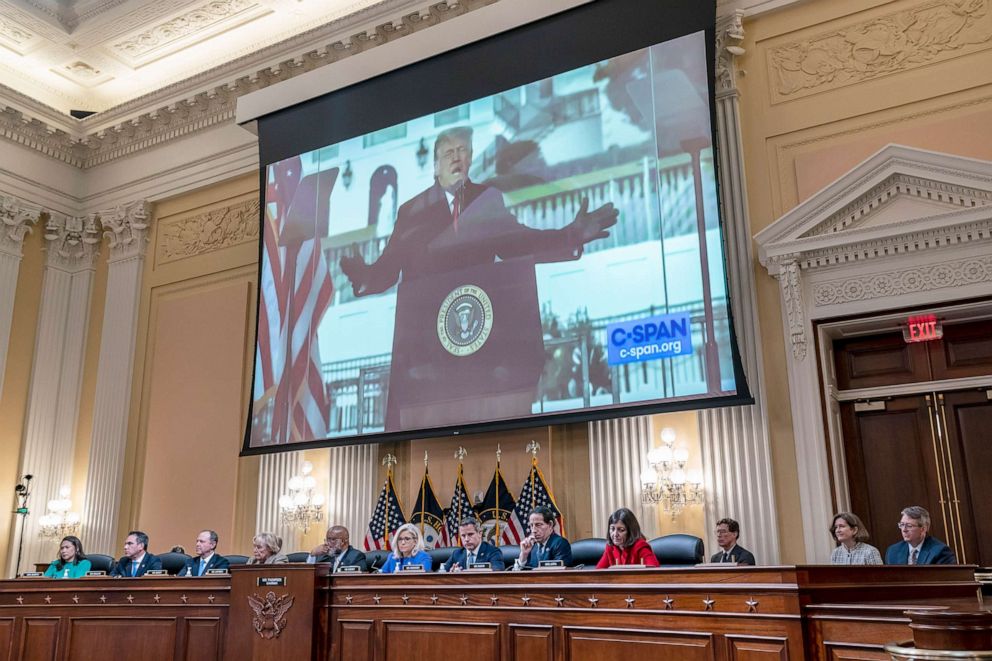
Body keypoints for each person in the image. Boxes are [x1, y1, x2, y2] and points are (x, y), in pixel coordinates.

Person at [340, 126, 619, 431]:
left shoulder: (487, 199)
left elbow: (518, 243)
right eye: (449, 152)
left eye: (462, 151)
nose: (456, 158)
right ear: (435, 164)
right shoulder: (412, 211)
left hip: (478, 354)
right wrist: (364, 276)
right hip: (425, 359)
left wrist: (570, 235)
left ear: (471, 158)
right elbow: (387, 270)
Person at [884, 506, 957, 565]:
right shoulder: (893, 551)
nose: (904, 529)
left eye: (909, 526)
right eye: (902, 525)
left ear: (923, 529)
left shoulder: (940, 552)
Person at [513, 505, 572, 570]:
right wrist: (523, 555)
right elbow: (517, 576)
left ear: (550, 525)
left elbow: (559, 574)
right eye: (531, 525)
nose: (533, 530)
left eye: (538, 525)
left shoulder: (560, 544)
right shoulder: (531, 546)